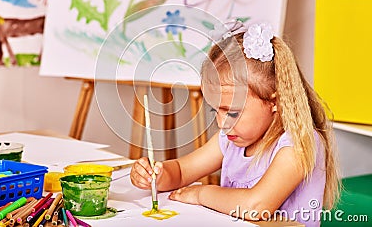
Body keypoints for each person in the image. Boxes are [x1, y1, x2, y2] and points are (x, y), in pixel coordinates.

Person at [130, 20, 340, 226]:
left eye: (232, 112)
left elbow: (257, 206)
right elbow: (182, 171)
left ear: (274, 101)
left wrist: (201, 193)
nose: (221, 124)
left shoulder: (298, 145)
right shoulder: (230, 138)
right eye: (216, 110)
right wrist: (158, 176)